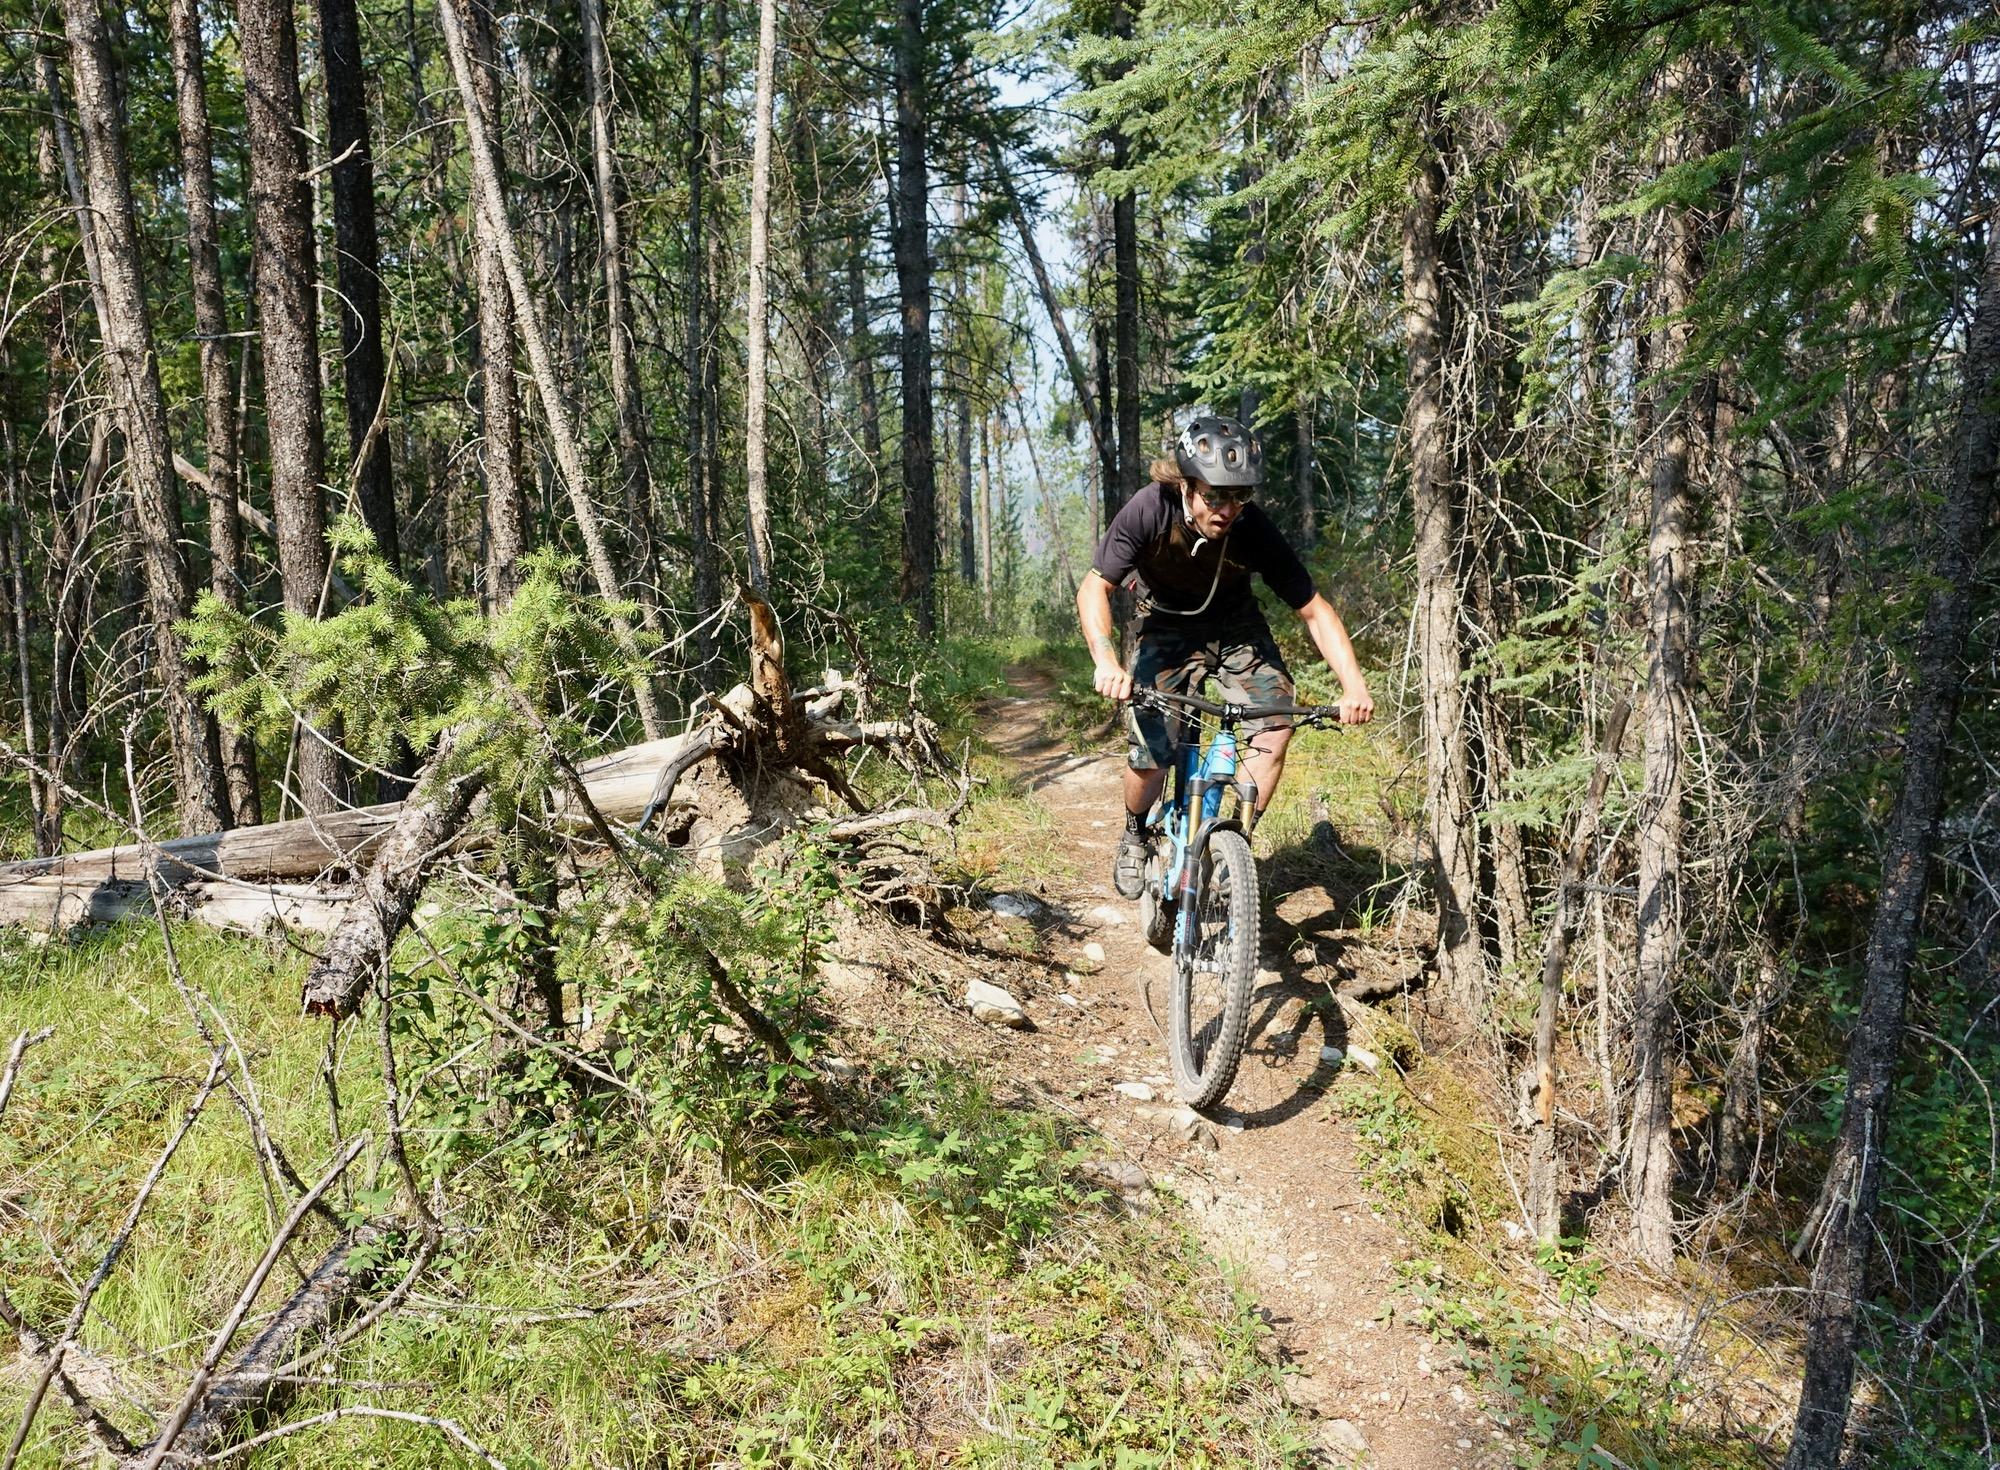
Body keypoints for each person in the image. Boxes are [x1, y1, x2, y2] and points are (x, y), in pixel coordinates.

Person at [1076, 413, 1374, 900]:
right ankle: (1134, 833)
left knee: (1275, 724)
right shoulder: (1149, 509)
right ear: (1187, 486)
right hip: (1167, 624)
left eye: (1240, 496)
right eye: (1214, 495)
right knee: (1153, 749)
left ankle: (1232, 841)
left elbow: (1315, 611)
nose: (1228, 508)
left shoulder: (1252, 527)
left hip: (1237, 627)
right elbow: (1094, 589)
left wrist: (1353, 686)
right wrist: (1105, 661)